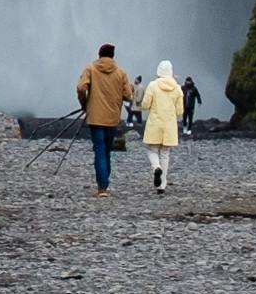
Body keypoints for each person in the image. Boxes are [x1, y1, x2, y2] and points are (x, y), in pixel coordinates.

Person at [74, 40, 134, 191]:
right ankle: (104, 182)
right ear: (113, 56)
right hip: (112, 117)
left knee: (99, 150)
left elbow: (81, 88)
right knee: (107, 150)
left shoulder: (91, 69)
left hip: (95, 117)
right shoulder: (121, 72)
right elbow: (128, 96)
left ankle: (102, 186)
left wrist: (84, 104)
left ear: (99, 55)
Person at [140, 59, 186, 192]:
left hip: (155, 123)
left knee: (152, 150)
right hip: (169, 126)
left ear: (159, 71)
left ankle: (156, 168)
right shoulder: (177, 88)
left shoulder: (153, 85)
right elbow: (180, 111)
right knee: (165, 154)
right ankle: (162, 185)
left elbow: (145, 105)